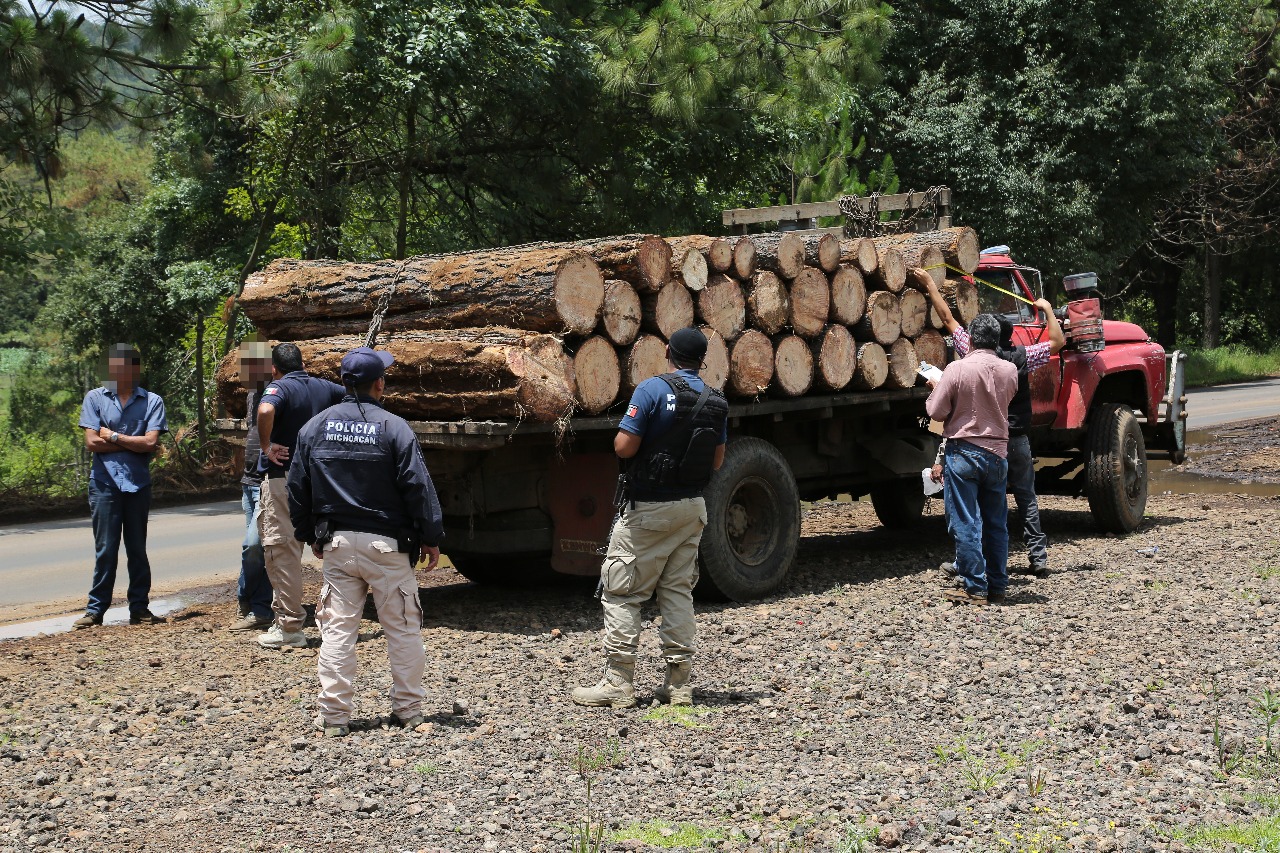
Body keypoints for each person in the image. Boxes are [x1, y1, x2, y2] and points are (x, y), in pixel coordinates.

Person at [287, 347, 444, 738]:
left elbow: (296, 488)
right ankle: (408, 711)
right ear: (379, 383)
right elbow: (416, 486)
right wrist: (431, 536)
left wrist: (309, 533)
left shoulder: (314, 428)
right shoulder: (394, 427)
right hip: (388, 548)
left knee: (337, 632)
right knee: (403, 629)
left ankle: (335, 717)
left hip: (338, 545)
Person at [572, 327, 729, 709]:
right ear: (702, 360)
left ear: (667, 353)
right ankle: (678, 686)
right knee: (677, 591)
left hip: (649, 510)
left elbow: (625, 448)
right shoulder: (717, 400)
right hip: (692, 508)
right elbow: (718, 461)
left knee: (622, 591)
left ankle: (618, 684)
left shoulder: (651, 390)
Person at [919, 270, 1065, 576]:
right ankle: (1038, 558)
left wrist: (931, 285)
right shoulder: (1022, 357)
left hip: (980, 443)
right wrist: (1047, 308)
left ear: (979, 336)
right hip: (1017, 440)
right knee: (1026, 497)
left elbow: (947, 318)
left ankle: (968, 565)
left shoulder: (969, 356)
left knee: (973, 506)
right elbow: (1057, 341)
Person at [255, 343, 346, 649]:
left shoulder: (278, 388)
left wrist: (266, 445)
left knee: (283, 553)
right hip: (322, 482)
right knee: (333, 549)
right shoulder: (325, 387)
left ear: (274, 368)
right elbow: (355, 398)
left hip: (285, 482)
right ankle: (339, 622)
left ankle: (290, 627)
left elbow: (265, 409)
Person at [925, 314, 1018, 605]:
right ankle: (998, 586)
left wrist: (936, 391)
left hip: (964, 452)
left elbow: (936, 412)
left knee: (965, 522)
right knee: (996, 523)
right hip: (998, 454)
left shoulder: (956, 369)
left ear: (972, 340)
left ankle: (975, 586)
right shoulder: (1010, 370)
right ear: (998, 340)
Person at [73, 344, 168, 628]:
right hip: (103, 484)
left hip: (137, 485)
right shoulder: (95, 398)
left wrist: (112, 436)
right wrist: (131, 441)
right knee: (106, 549)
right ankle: (95, 611)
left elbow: (150, 443)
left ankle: (139, 608)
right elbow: (91, 442)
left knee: (137, 548)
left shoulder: (152, 401)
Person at [229, 342, 275, 631]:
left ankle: (256, 605)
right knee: (255, 548)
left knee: (255, 545)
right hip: (248, 482)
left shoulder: (278, 393)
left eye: (246, 367)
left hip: (265, 482)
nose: (240, 374)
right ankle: (250, 602)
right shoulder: (252, 394)